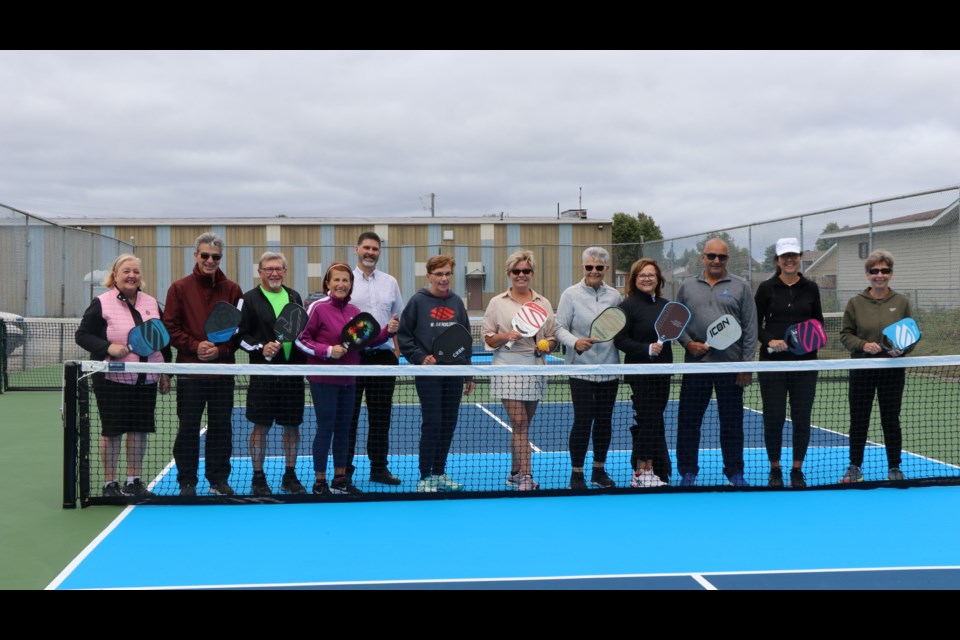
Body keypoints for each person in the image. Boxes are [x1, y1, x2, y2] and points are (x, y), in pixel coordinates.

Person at [296, 263, 398, 495]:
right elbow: (301, 339)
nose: (341, 284)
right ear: (328, 284)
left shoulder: (353, 311)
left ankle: (340, 479)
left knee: (343, 429)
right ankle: (320, 482)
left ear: (351, 285)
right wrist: (327, 351)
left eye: (346, 280)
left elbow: (366, 340)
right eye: (337, 280)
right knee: (326, 428)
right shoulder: (317, 308)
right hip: (323, 380)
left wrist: (387, 332)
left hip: (349, 380)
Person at [75, 254, 170, 497]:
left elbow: (162, 339)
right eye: (126, 271)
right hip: (111, 380)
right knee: (113, 430)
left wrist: (166, 371)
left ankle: (133, 481)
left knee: (139, 429)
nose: (131, 276)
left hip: (146, 379)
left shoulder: (150, 302)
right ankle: (110, 483)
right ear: (115, 276)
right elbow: (83, 335)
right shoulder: (101, 302)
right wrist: (108, 347)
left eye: (136, 271)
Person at [164, 232, 243, 496]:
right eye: (205, 255)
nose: (210, 260)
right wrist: (194, 346)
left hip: (222, 373)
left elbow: (240, 331)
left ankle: (218, 480)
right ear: (196, 255)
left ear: (221, 258)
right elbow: (170, 327)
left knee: (221, 427)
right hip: (190, 373)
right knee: (188, 427)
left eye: (215, 256)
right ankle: (187, 481)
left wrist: (220, 350)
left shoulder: (233, 289)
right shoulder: (179, 288)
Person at [675, 238, 758, 487]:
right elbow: (676, 321)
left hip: (731, 369)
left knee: (732, 423)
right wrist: (689, 344)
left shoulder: (741, 286)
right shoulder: (687, 286)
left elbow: (749, 327)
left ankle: (735, 472)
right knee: (689, 422)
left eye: (721, 257)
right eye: (711, 256)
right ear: (703, 258)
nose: (716, 261)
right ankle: (687, 472)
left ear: (727, 259)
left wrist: (745, 366)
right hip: (696, 366)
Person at [398, 255, 475, 493]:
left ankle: (440, 472)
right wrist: (421, 358)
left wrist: (468, 372)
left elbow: (464, 337)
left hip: (453, 372)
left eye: (447, 274)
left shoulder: (456, 302)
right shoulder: (418, 301)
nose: (444, 278)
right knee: (433, 422)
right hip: (429, 373)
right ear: (429, 275)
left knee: (449, 424)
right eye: (439, 274)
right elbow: (404, 336)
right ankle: (425, 476)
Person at [482, 250, 556, 491]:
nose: (521, 275)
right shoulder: (497, 302)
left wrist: (546, 346)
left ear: (531, 274)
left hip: (534, 365)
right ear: (509, 274)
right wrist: (506, 335)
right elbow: (489, 339)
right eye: (516, 271)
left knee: (522, 426)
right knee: (519, 420)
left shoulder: (543, 303)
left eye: (526, 271)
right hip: (506, 364)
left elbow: (551, 337)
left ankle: (514, 473)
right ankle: (526, 476)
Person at [839, 250, 913, 483]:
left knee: (891, 419)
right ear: (867, 274)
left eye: (885, 271)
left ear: (891, 274)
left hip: (892, 371)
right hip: (862, 369)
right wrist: (862, 345)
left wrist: (903, 349)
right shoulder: (855, 302)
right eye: (875, 271)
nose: (880, 275)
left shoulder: (901, 302)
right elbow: (845, 335)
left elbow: (910, 335)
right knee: (859, 418)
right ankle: (854, 467)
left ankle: (894, 468)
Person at [755, 238, 824, 488]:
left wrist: (806, 344)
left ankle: (797, 469)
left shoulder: (811, 288)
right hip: (772, 365)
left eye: (793, 255)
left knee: (801, 416)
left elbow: (818, 323)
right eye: (784, 256)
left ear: (799, 257)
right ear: (777, 260)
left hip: (805, 365)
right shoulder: (765, 288)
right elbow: (754, 324)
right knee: (773, 417)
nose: (789, 259)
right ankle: (775, 469)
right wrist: (770, 340)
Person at [238, 252, 307, 495]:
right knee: (261, 426)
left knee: (292, 427)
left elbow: (301, 330)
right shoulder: (247, 299)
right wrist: (261, 346)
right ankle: (258, 478)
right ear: (260, 272)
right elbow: (239, 336)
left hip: (292, 374)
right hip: (263, 375)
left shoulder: (294, 296)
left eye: (279, 268)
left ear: (285, 272)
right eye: (269, 269)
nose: (274, 273)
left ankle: (290, 475)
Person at [555, 247, 623, 490]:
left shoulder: (615, 296)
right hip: (580, 370)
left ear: (605, 269)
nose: (594, 271)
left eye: (599, 267)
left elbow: (620, 327)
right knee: (583, 420)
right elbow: (559, 327)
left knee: (604, 421)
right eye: (589, 267)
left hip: (609, 369)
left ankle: (599, 470)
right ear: (583, 268)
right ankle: (577, 473)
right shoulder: (570, 295)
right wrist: (575, 342)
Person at [347, 232, 405, 486]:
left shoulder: (390, 282)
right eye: (366, 248)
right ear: (356, 249)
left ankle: (379, 468)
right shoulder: (344, 279)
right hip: (352, 358)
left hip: (383, 358)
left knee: (380, 417)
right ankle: (343, 470)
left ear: (379, 252)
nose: (370, 252)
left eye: (375, 249)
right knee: (348, 417)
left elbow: (398, 318)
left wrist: (396, 351)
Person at [614, 258, 671, 488]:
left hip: (663, 372)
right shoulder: (627, 307)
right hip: (640, 374)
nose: (647, 278)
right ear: (634, 279)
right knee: (647, 421)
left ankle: (653, 469)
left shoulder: (666, 306)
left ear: (658, 279)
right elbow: (620, 340)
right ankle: (640, 471)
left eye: (651, 275)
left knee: (655, 421)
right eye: (642, 275)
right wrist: (646, 349)